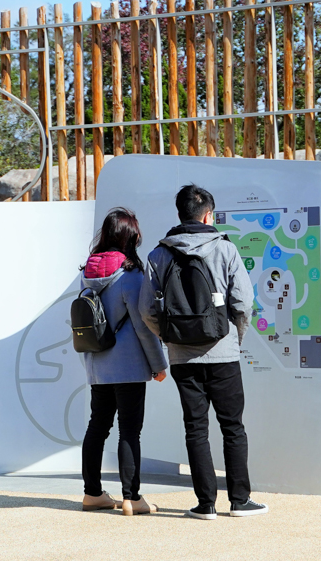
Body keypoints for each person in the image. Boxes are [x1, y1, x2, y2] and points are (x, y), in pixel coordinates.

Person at [140, 184, 268, 520]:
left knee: (196, 428)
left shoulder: (158, 255)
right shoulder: (225, 249)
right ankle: (239, 501)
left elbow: (146, 310)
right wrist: (233, 337)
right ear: (208, 214)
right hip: (223, 352)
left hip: (182, 357)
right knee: (233, 427)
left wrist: (170, 337)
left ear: (180, 213)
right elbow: (243, 303)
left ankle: (205, 504)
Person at [79, 208, 168, 516]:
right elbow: (143, 326)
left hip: (97, 363)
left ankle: (92, 493)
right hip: (128, 365)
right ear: (131, 237)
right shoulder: (130, 275)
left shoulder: (87, 272)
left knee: (97, 427)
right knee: (129, 431)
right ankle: (131, 497)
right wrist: (159, 364)